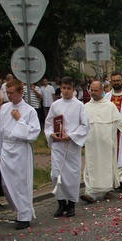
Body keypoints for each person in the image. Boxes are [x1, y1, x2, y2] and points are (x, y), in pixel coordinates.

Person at [0, 79, 40, 230]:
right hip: (6, 148)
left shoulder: (29, 111)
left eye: (12, 93)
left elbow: (33, 133)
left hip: (20, 149)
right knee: (7, 183)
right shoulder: (5, 108)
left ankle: (24, 215)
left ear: (20, 92)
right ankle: (18, 210)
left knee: (21, 183)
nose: (9, 96)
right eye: (7, 93)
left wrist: (19, 120)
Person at [45, 77, 89, 218]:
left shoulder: (79, 106)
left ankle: (71, 204)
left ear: (73, 89)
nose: (65, 91)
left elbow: (85, 126)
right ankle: (61, 202)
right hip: (58, 145)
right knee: (56, 174)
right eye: (63, 88)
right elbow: (48, 124)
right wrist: (52, 134)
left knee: (71, 176)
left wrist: (72, 135)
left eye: (68, 88)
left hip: (71, 146)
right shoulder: (55, 105)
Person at [81, 81, 122, 203]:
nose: (93, 93)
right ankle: (90, 191)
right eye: (91, 90)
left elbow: (116, 122)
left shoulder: (110, 106)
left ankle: (108, 189)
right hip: (91, 142)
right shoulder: (85, 107)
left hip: (106, 142)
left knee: (106, 164)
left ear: (102, 91)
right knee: (91, 165)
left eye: (96, 90)